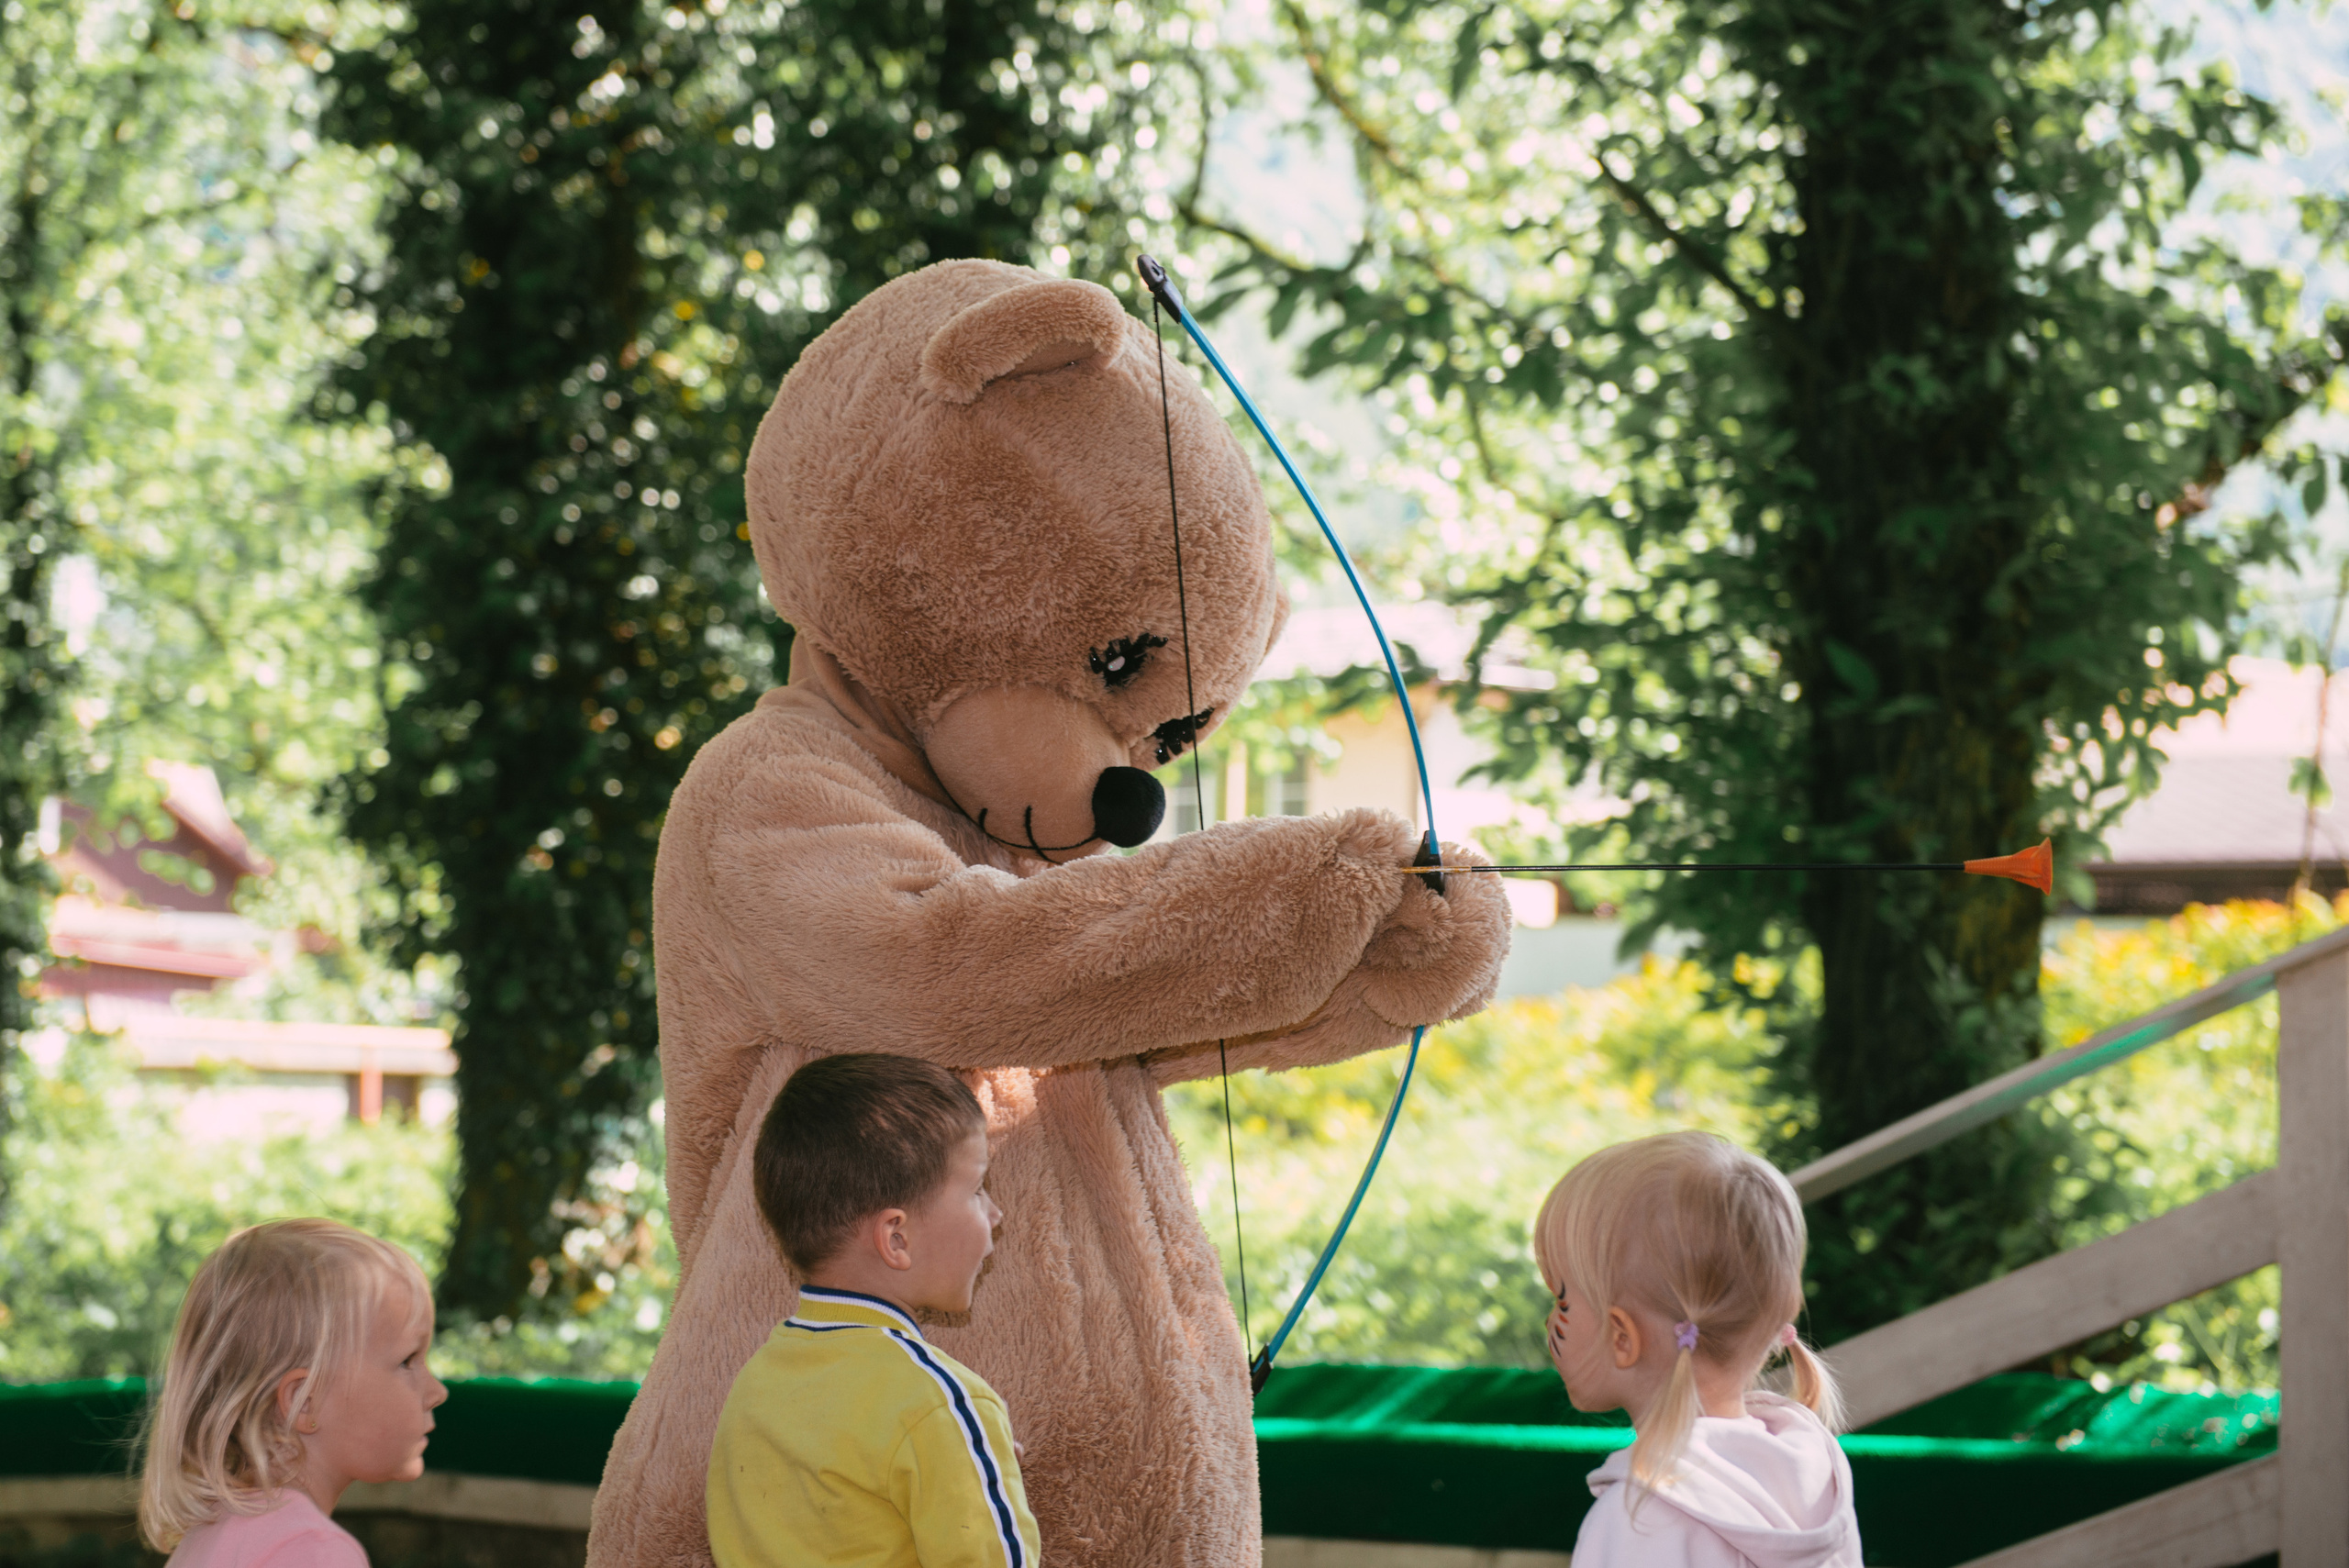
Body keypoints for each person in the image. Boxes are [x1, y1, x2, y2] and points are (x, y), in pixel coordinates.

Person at [707, 1052, 1038, 1568]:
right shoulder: (938, 1400)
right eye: (977, 1190)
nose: (996, 1215)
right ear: (896, 1237)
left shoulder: (753, 1390)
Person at [1535, 1131, 1861, 1568]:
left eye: (1562, 1299)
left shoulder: (1638, 1521)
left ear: (1622, 1338)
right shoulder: (1812, 1477)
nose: (1551, 1320)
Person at [139, 1218, 450, 1566]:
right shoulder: (313, 1551)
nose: (437, 1391)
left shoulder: (207, 1536)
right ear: (306, 1401)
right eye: (408, 1360)